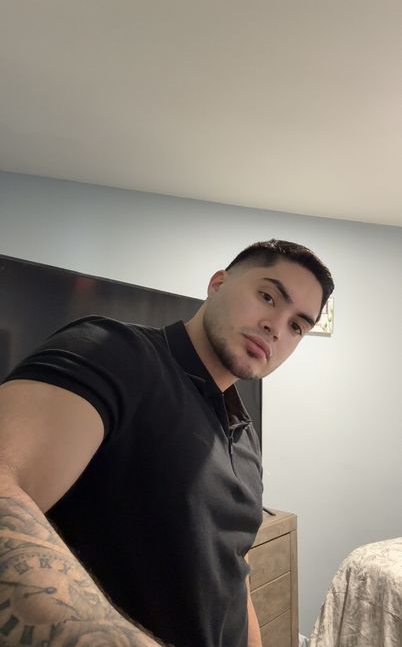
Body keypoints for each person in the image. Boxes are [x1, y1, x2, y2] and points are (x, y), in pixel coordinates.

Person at [0, 239, 334, 647]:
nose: (277, 328)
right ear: (217, 284)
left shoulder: (245, 437)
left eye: (297, 326)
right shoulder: (114, 353)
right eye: (268, 296)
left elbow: (233, 570)